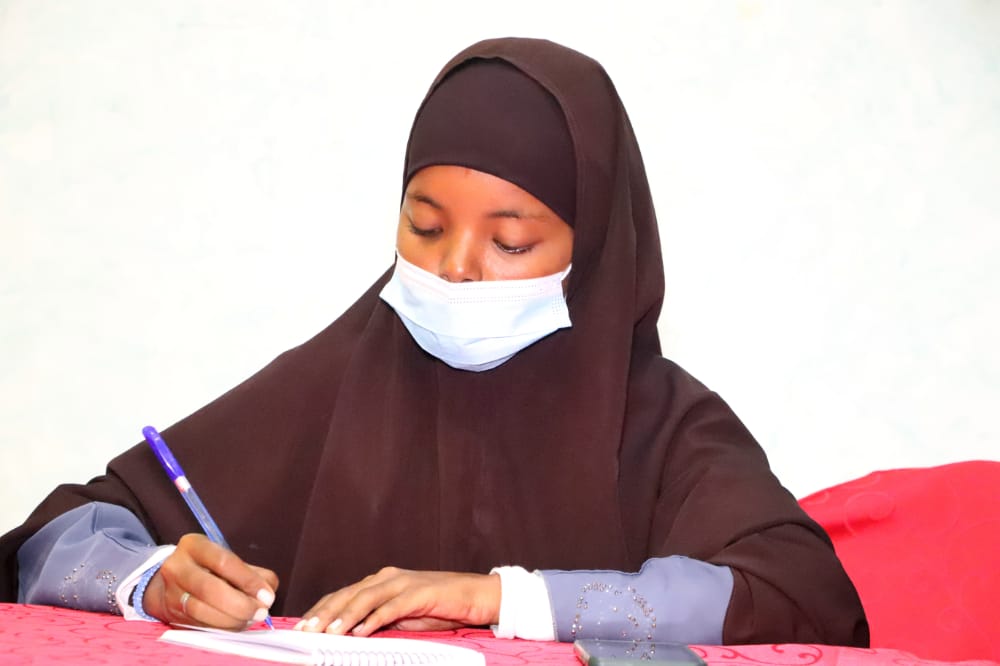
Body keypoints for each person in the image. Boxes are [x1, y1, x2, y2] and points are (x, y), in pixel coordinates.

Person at [0, 37, 868, 646]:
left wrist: (505, 600)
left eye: (512, 242)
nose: (456, 269)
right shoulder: (331, 382)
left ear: (594, 251)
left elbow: (798, 595)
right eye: (423, 227)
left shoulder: (663, 424)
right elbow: (61, 531)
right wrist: (149, 580)